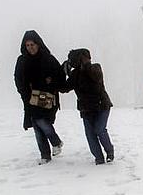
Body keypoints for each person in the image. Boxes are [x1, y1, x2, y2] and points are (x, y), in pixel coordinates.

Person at [14, 30, 65, 165]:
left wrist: (50, 82)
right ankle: (45, 155)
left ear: (38, 44)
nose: (30, 48)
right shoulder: (22, 60)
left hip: (48, 98)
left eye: (33, 44)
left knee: (41, 121)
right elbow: (18, 78)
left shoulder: (48, 58)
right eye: (28, 45)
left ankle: (56, 142)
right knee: (37, 126)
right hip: (30, 99)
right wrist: (24, 93)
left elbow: (59, 75)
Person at [61, 48, 114, 165]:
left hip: (102, 105)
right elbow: (64, 88)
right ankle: (99, 158)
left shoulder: (95, 67)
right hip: (86, 109)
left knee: (100, 130)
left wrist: (85, 65)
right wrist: (63, 72)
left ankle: (110, 152)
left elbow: (96, 77)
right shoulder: (75, 74)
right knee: (90, 134)